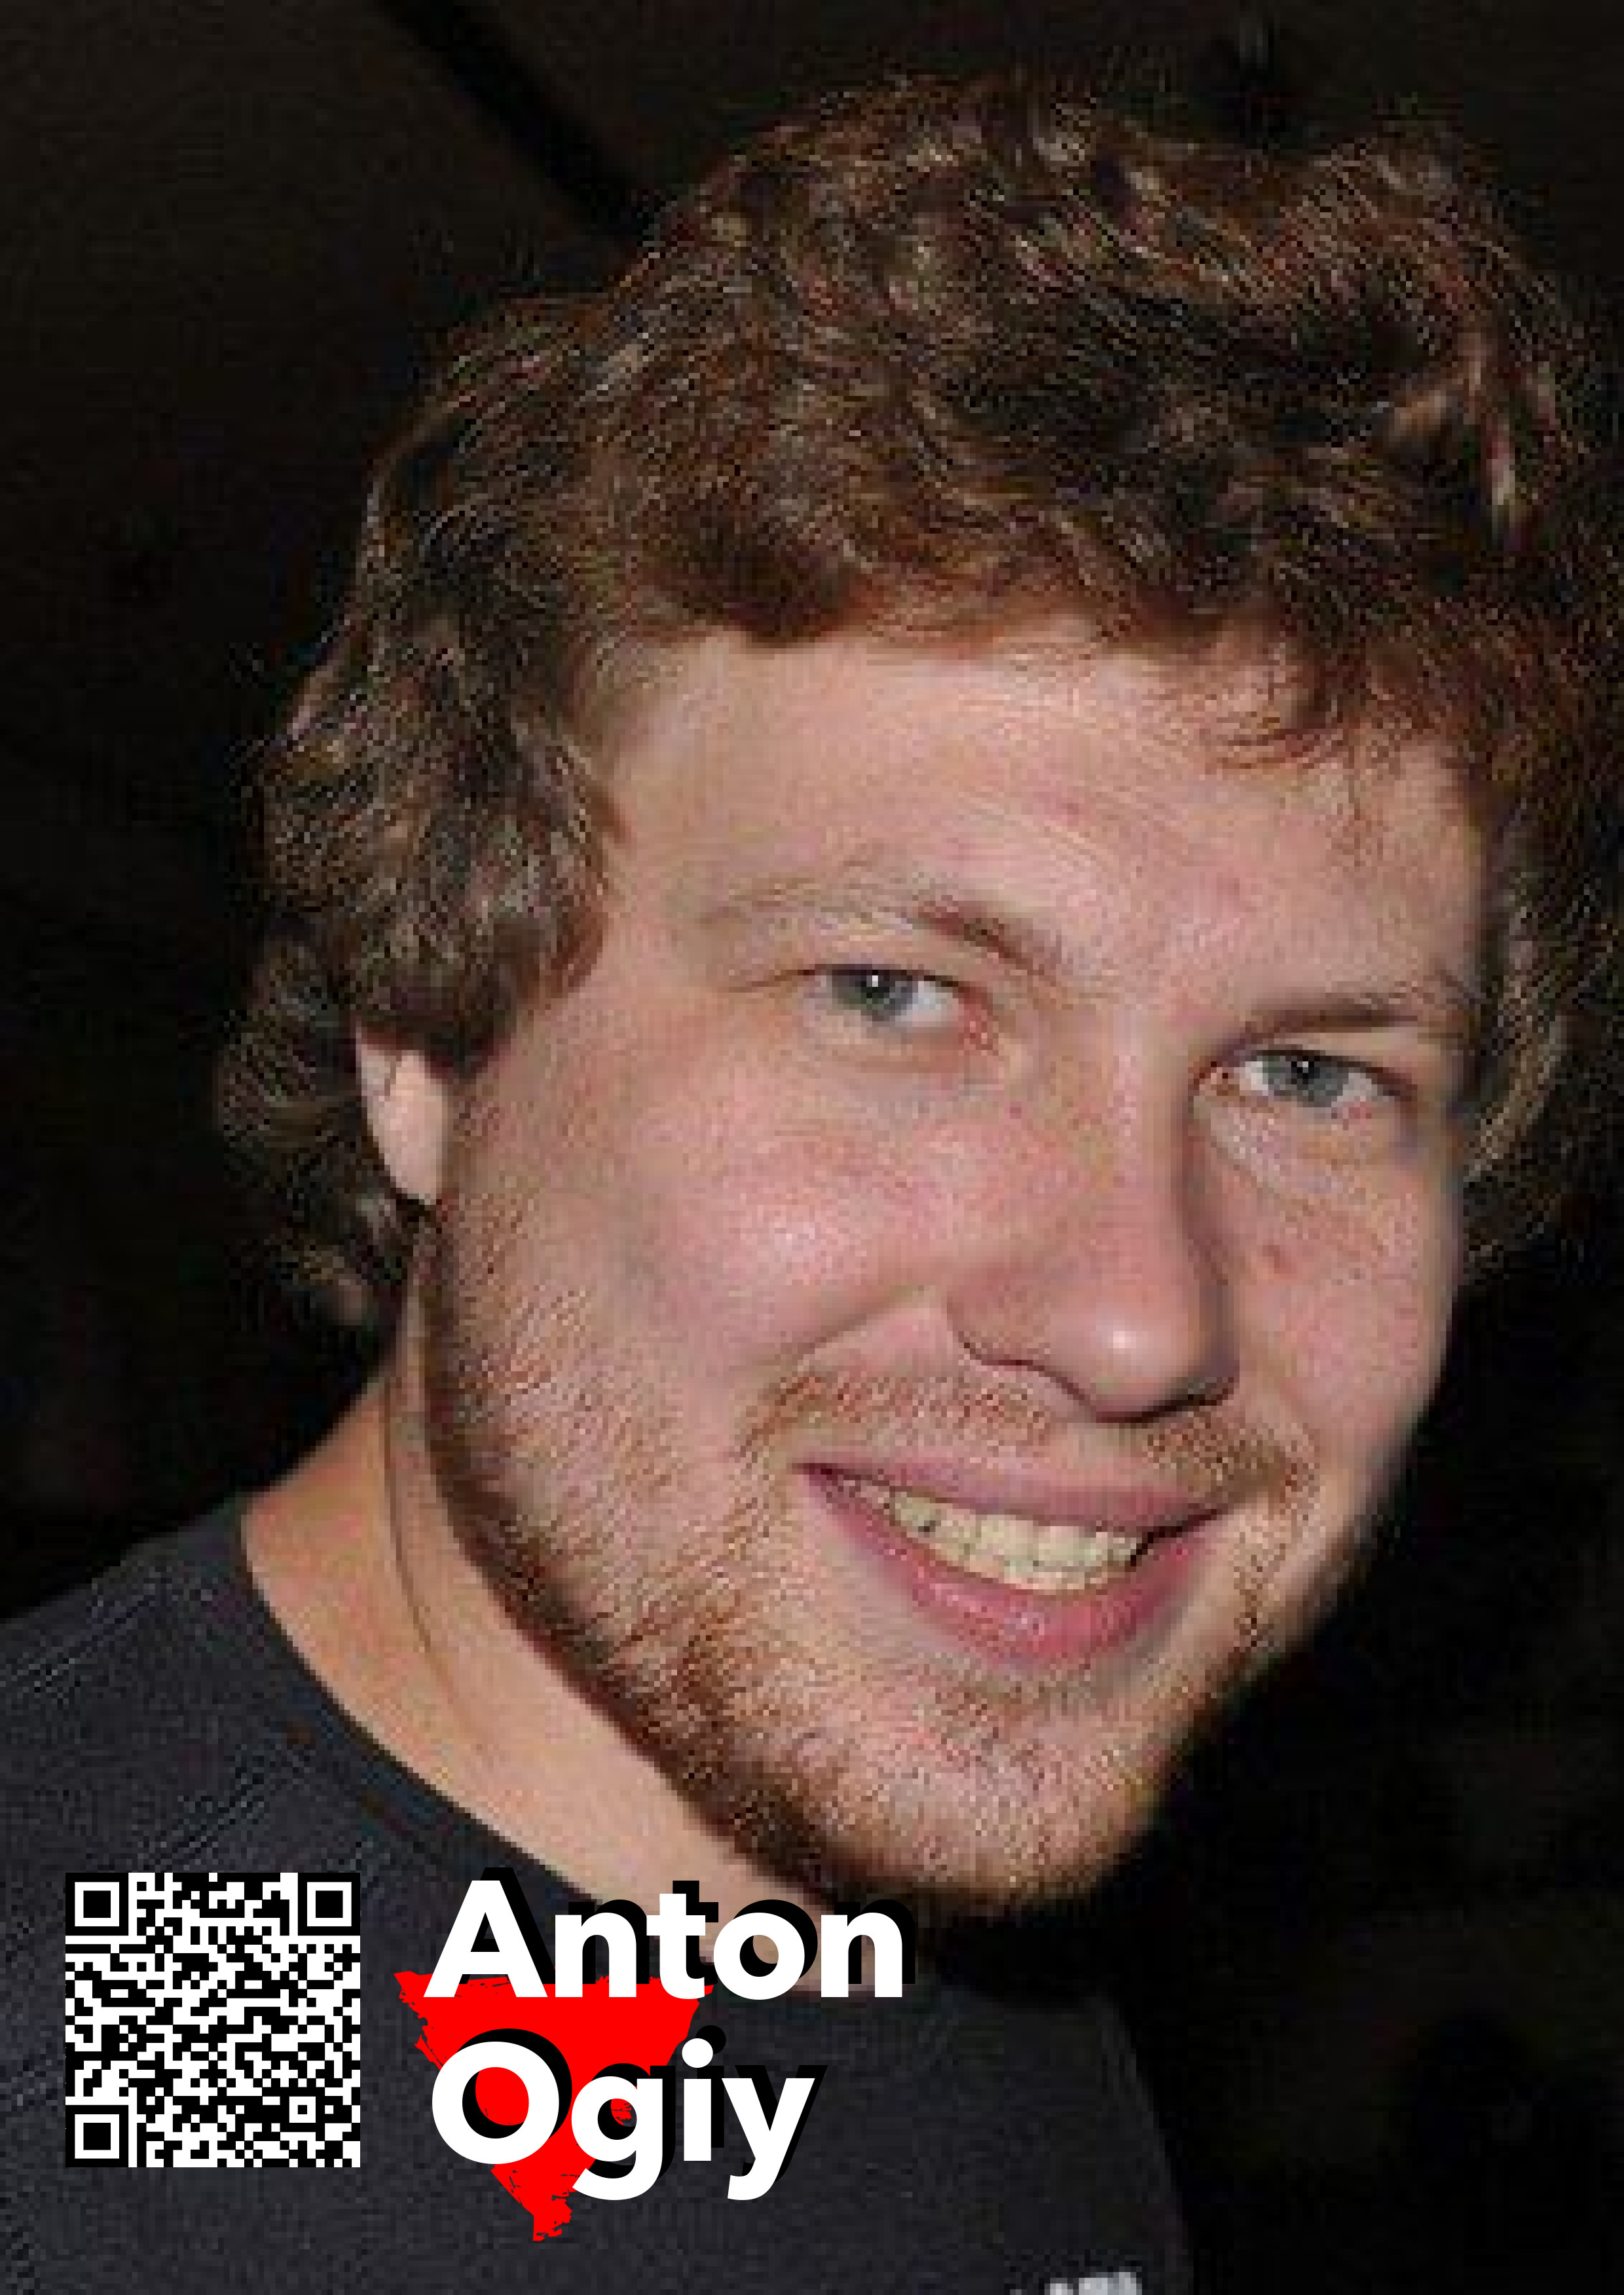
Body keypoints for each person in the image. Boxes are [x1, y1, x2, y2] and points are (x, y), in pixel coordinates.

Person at [3, 71, 1619, 2292]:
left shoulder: (943, 1903)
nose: (1140, 1315)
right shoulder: (92, 2051)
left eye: (1307, 1070)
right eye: (894, 994)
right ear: (429, 1040)